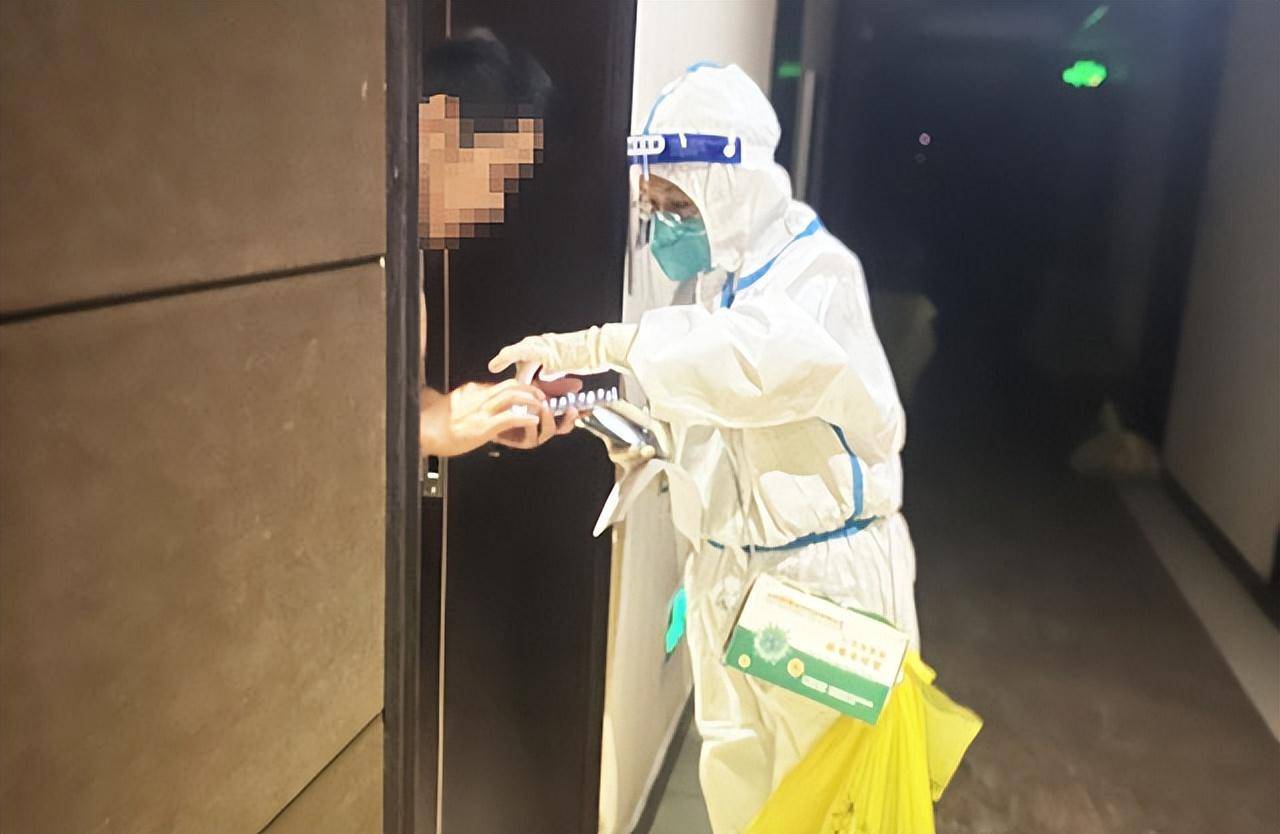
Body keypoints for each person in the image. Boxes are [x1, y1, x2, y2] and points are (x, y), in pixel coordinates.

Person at [490, 64, 920, 832]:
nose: (665, 226)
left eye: (679, 206)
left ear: (735, 189)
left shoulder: (816, 276)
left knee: (833, 801)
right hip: (729, 577)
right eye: (653, 206)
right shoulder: (721, 284)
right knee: (738, 778)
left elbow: (746, 362)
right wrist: (605, 415)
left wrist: (593, 345)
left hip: (821, 584)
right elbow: (708, 420)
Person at [417, 30, 579, 457]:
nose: (495, 206)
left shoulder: (408, 260)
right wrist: (428, 430)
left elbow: (401, 402)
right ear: (437, 125)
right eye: (496, 177)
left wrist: (485, 415)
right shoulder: (340, 244)